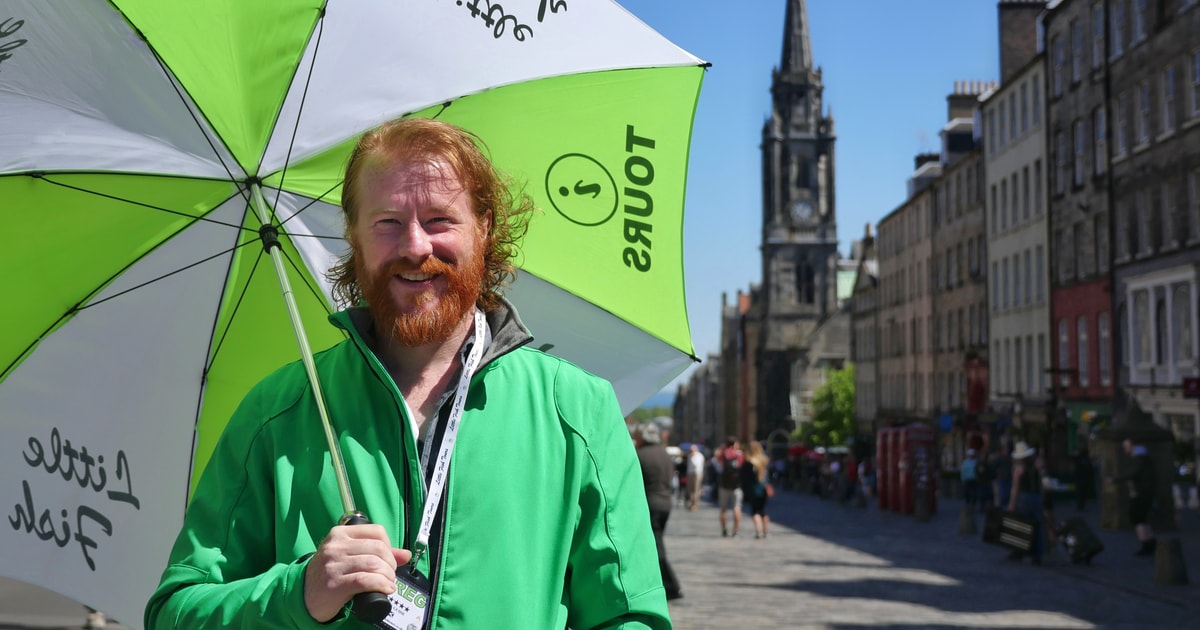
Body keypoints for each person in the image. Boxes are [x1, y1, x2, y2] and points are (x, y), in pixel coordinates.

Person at [144, 119, 671, 628]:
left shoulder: (575, 409)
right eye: (388, 222)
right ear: (354, 235)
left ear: (484, 229)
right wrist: (298, 594)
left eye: (440, 219)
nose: (416, 246)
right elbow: (176, 612)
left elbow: (630, 617)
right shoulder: (279, 411)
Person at [634, 423, 683, 600]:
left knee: (655, 545)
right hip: (665, 502)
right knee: (656, 542)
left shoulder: (640, 455)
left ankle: (671, 587)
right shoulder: (663, 453)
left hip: (651, 503)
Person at [1110, 439, 1157, 556]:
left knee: (1136, 517)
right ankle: (1150, 541)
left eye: (1126, 447)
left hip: (1141, 493)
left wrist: (1115, 479)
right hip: (1142, 492)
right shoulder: (1141, 458)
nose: (1125, 450)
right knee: (1141, 518)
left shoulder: (1139, 459)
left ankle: (1147, 543)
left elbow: (1132, 473)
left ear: (1132, 446)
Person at [1007, 441, 1044, 565]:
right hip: (1036, 497)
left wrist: (1012, 503)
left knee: (1020, 524)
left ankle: (1019, 551)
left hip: (1024, 497)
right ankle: (1037, 555)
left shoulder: (1018, 467)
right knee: (1037, 526)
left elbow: (1015, 486)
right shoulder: (1037, 464)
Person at [713, 437, 745, 537]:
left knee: (723, 508)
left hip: (724, 484)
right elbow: (742, 466)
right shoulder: (740, 454)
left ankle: (724, 530)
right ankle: (736, 530)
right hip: (737, 485)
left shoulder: (723, 453)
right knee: (737, 507)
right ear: (735, 444)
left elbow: (717, 463)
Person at [742, 441, 772, 539]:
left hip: (753, 489)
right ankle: (766, 531)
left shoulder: (748, 462)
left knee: (755, 511)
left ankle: (758, 531)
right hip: (764, 489)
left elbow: (744, 477)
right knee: (763, 511)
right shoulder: (764, 460)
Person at [1073, 445, 1095, 511]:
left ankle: (1081, 505)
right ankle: (1081, 504)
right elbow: (1091, 469)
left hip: (1081, 478)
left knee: (1081, 492)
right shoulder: (1084, 459)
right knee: (1082, 492)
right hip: (1083, 478)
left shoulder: (1081, 459)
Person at [686, 444, 706, 510]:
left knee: (696, 489)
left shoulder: (699, 456)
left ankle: (695, 504)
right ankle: (692, 503)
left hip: (697, 473)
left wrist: (693, 456)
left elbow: (696, 465)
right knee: (690, 489)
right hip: (690, 473)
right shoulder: (689, 456)